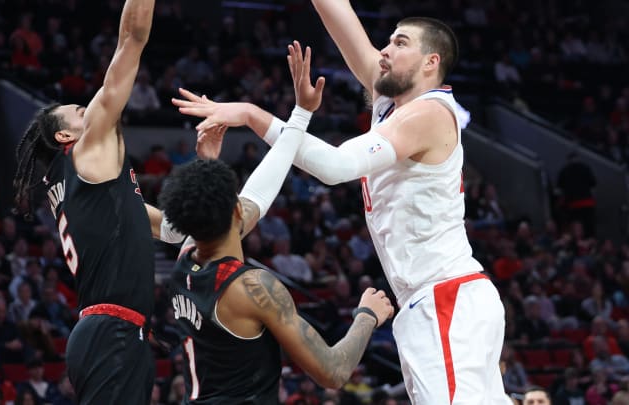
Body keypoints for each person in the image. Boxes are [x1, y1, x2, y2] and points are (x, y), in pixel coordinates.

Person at [173, 13, 506, 405]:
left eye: (400, 43)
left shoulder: (429, 113)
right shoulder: (392, 105)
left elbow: (334, 167)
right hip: (430, 300)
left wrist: (252, 114)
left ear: (431, 62)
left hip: (445, 296)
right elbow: (339, 15)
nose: (384, 50)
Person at [162, 43, 392, 404]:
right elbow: (332, 371)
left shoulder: (184, 261)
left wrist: (301, 114)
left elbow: (257, 196)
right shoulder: (253, 288)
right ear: (235, 213)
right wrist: (367, 316)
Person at [12, 1, 184, 403]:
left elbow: (172, 231)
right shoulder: (86, 152)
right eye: (78, 111)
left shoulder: (97, 192)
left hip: (113, 332)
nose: (88, 108)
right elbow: (132, 38)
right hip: (113, 331)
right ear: (65, 137)